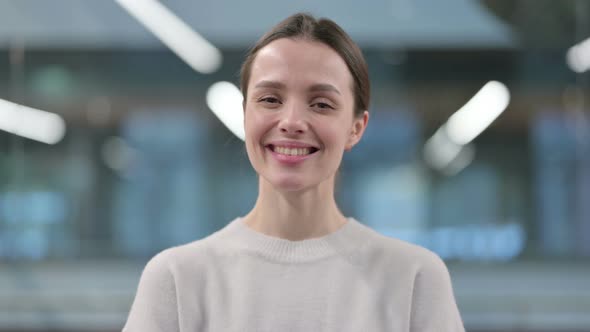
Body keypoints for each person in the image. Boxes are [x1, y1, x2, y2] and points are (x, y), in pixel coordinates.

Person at [123, 12, 465, 332]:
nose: (291, 122)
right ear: (245, 116)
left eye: (321, 104)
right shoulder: (176, 279)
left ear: (356, 128)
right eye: (270, 99)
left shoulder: (414, 279)